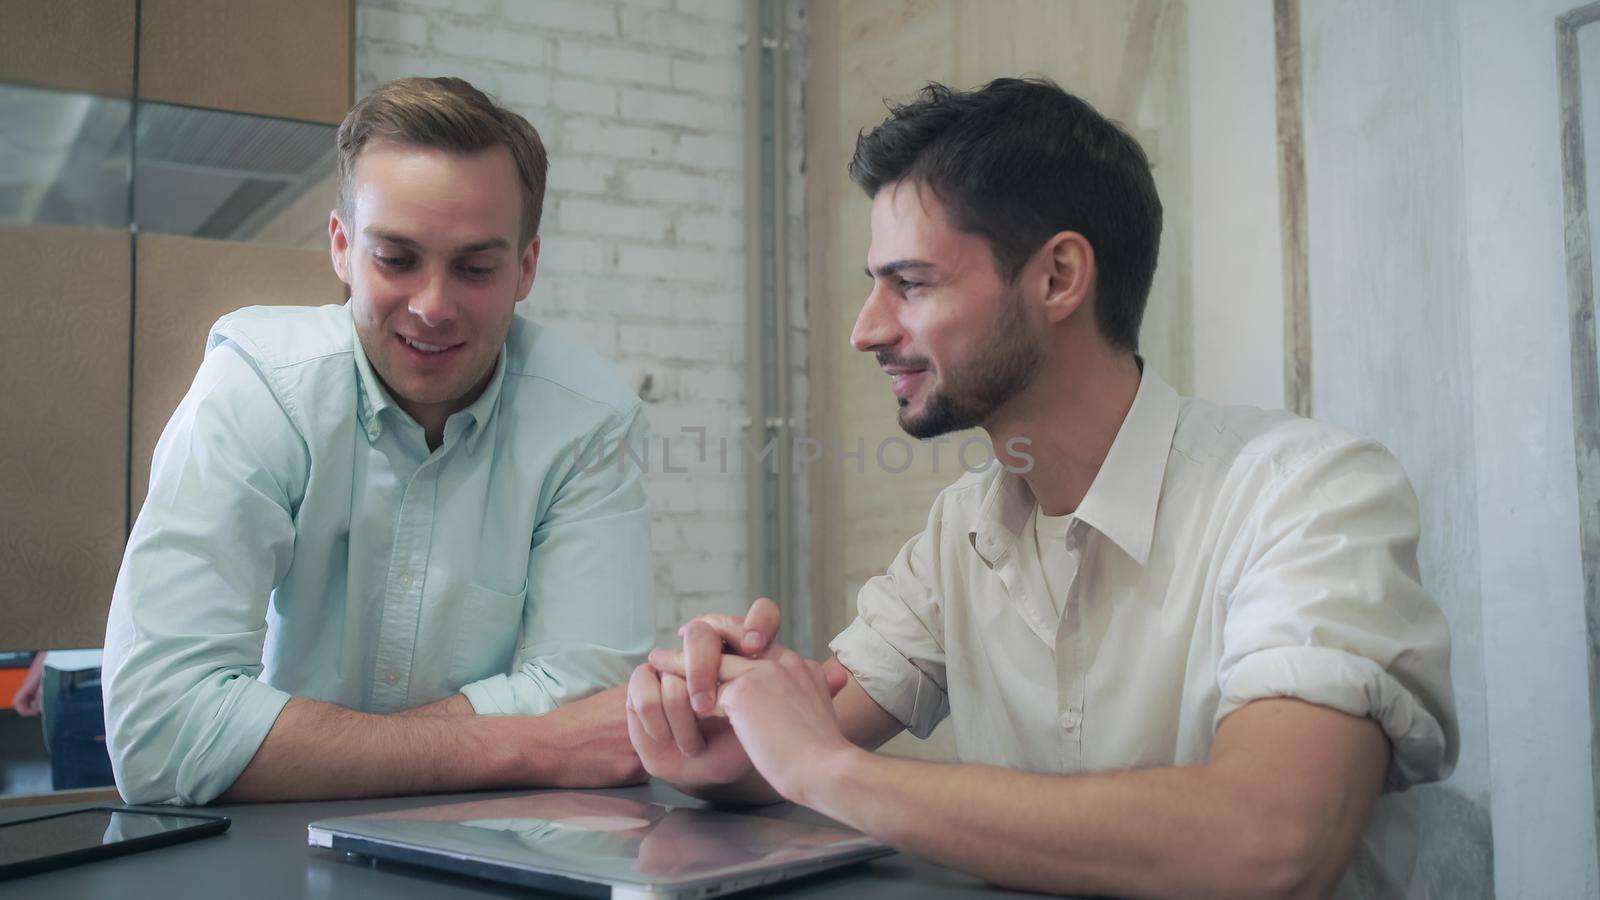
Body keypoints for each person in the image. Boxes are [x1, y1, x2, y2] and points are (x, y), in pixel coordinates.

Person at [627, 78, 1457, 899]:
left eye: (910, 284)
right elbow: (785, 751)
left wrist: (827, 770)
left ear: (1059, 277)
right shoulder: (962, 530)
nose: (866, 330)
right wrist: (707, 716)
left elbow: (1270, 843)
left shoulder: (1306, 494)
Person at [103, 77, 654, 806]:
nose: (432, 307)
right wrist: (526, 741)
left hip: (479, 846)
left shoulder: (591, 423)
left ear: (525, 268)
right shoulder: (257, 389)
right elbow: (160, 735)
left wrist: (298, 746)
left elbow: (591, 703)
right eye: (396, 259)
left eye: (476, 268)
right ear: (341, 247)